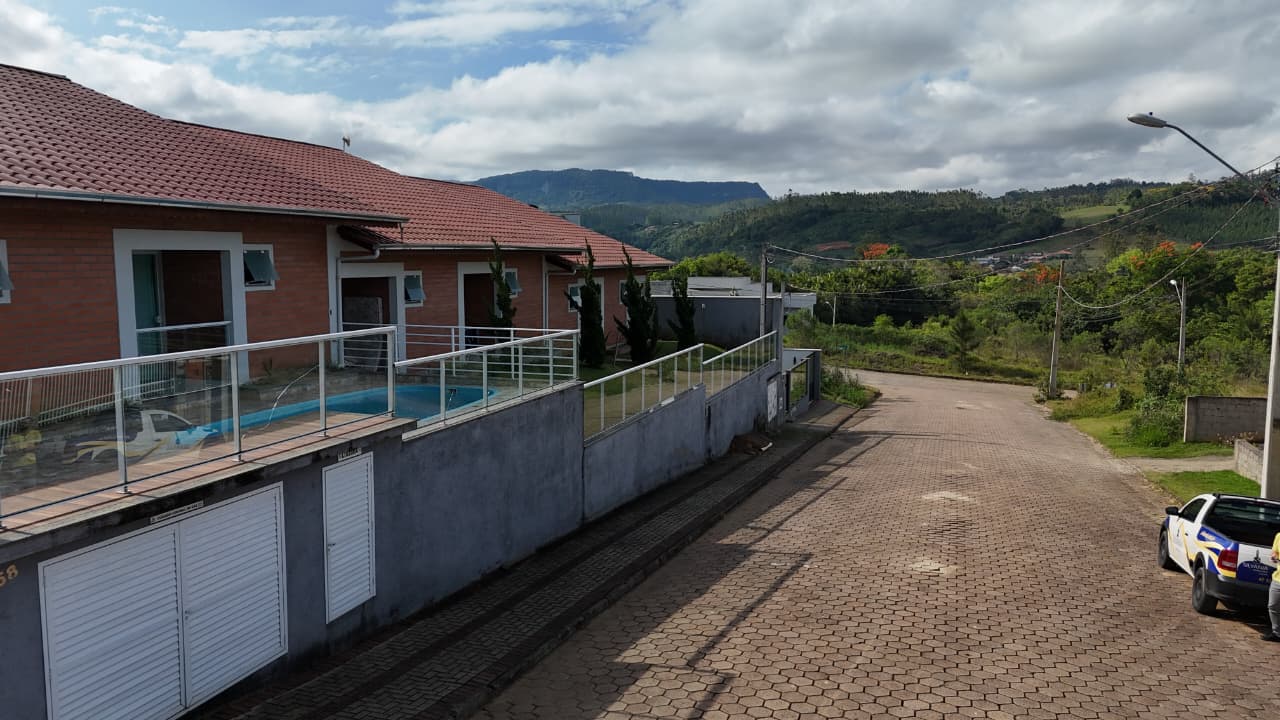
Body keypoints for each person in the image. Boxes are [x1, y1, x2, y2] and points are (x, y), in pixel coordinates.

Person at [1269, 532, 1280, 642]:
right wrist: (1274, 556)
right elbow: (1275, 552)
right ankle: (1276, 633)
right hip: (1277, 579)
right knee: (1273, 605)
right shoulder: (1279, 536)